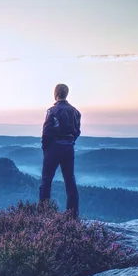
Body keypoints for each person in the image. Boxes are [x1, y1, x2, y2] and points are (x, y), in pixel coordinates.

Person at [39, 83, 81, 218]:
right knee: (70, 180)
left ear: (55, 93)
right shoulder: (75, 111)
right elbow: (77, 131)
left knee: (46, 181)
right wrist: (71, 142)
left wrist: (46, 148)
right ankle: (72, 216)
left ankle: (43, 215)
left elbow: (46, 132)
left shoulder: (52, 111)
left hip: (54, 148)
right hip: (69, 148)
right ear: (67, 94)